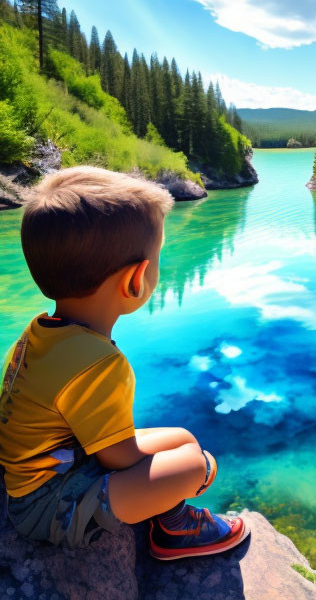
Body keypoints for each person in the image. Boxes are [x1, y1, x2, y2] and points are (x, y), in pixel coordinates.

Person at [0, 166, 250, 559]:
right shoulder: (98, 362)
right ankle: (174, 532)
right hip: (46, 507)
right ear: (135, 281)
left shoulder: (41, 331)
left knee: (183, 439)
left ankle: (171, 510)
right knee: (195, 465)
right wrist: (187, 473)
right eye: (158, 259)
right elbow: (116, 458)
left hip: (60, 466)